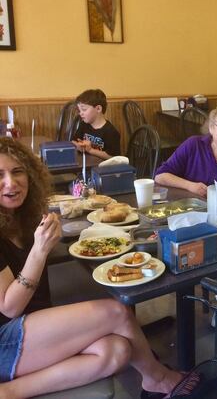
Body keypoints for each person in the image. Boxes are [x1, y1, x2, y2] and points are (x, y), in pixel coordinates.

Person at [0, 137, 183, 398]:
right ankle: (157, 378)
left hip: (26, 333)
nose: (11, 182)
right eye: (0, 175)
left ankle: (10, 391)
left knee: (118, 351)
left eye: (18, 171)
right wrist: (40, 250)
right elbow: (9, 306)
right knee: (116, 313)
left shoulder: (21, 216)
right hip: (5, 338)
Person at [72, 89, 121, 160]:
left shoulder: (111, 132)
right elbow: (73, 141)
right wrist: (79, 146)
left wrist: (90, 150)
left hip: (102, 169)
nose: (80, 113)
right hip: (85, 164)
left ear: (98, 109)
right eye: (80, 110)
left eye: (84, 109)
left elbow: (113, 157)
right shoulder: (84, 124)